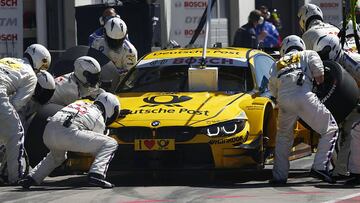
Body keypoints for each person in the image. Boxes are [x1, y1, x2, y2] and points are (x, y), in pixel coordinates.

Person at [268, 35, 339, 184]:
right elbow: (319, 76)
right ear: (301, 45)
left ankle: (279, 177)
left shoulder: (277, 64)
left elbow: (273, 91)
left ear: (284, 49)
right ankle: (320, 166)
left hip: (284, 101)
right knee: (330, 128)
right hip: (303, 95)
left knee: (283, 138)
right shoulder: (308, 54)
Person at [18, 92, 120, 189]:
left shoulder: (80, 102)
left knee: (56, 157)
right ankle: (97, 174)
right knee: (110, 143)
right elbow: (97, 149)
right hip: (67, 133)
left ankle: (31, 178)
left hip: (48, 132)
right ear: (110, 107)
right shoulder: (99, 118)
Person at [0, 43, 51, 184]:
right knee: (16, 133)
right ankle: (15, 177)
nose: (41, 71)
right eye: (43, 67)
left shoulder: (10, 60)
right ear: (41, 61)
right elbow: (16, 104)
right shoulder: (31, 76)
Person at [312, 34, 360, 179]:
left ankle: (349, 171)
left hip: (357, 103)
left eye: (324, 53)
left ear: (332, 49)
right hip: (350, 103)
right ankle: (342, 170)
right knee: (336, 131)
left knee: (352, 131)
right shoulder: (330, 66)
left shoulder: (354, 62)